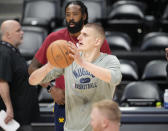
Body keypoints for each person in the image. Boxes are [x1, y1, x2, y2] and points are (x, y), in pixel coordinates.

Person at [28, 1, 111, 130]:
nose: (71, 18)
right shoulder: (54, 38)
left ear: (84, 16)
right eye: (68, 14)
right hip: (64, 105)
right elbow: (32, 68)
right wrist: (51, 89)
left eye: (75, 14)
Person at [0, 20, 39, 131]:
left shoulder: (13, 51)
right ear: (8, 35)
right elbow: (2, 82)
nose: (22, 33)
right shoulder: (4, 53)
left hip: (21, 117)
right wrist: (9, 108)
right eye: (18, 30)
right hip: (13, 118)